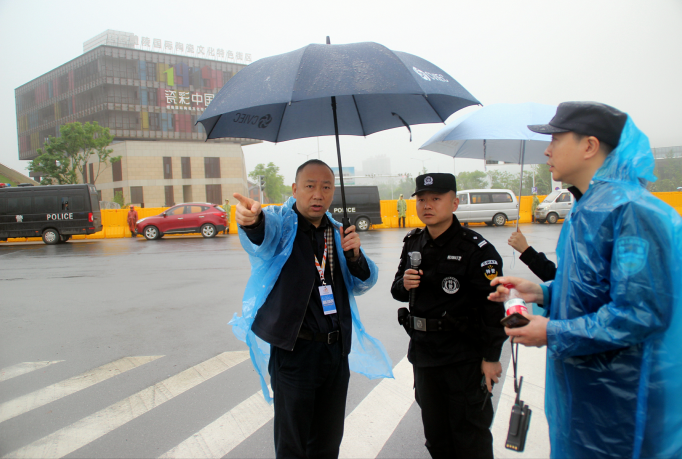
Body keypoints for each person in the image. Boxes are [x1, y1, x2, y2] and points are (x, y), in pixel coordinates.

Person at [488, 102, 682, 458]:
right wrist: (543, 292)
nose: (546, 150)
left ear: (589, 146)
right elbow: (592, 290)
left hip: (622, 407)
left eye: (556, 139)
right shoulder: (586, 208)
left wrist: (551, 332)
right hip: (582, 399)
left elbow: (641, 313)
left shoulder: (632, 211)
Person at [231, 159, 392, 459]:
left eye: (326, 187)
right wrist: (253, 222)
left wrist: (355, 255)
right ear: (295, 189)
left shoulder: (338, 231)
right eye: (310, 186)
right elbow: (262, 236)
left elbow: (364, 281)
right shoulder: (282, 224)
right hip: (295, 354)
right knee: (293, 444)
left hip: (334, 353)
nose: (318, 194)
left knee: (328, 444)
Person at [391, 173, 507, 459]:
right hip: (425, 356)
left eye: (435, 199)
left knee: (471, 438)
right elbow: (397, 291)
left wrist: (491, 358)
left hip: (463, 358)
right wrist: (403, 284)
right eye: (421, 199)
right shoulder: (413, 242)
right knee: (437, 438)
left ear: (454, 203)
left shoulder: (476, 249)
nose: (426, 205)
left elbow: (493, 308)